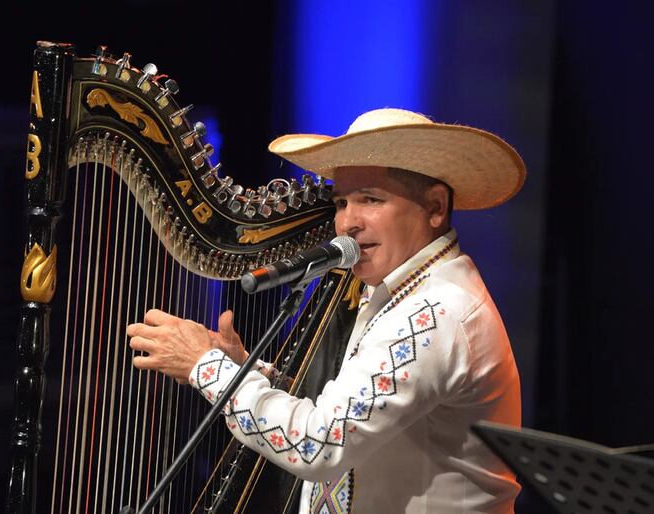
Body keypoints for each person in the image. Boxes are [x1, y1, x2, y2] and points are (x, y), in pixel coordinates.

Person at [128, 108, 526, 513]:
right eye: (340, 202)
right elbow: (355, 410)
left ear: (436, 207)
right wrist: (248, 370)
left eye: (371, 199)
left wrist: (206, 367)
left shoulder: (437, 311)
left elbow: (317, 445)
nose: (347, 223)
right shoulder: (401, 290)